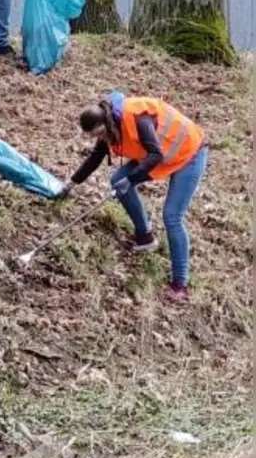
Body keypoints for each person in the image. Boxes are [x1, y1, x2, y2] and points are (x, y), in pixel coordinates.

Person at [59, 92, 207, 302]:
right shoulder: (108, 125)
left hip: (189, 155)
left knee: (172, 216)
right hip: (161, 154)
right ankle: (144, 236)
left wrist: (132, 178)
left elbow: (156, 154)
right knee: (118, 181)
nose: (100, 140)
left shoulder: (138, 119)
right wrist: (71, 184)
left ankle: (180, 284)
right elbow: (96, 157)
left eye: (100, 134)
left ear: (106, 123)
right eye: (95, 137)